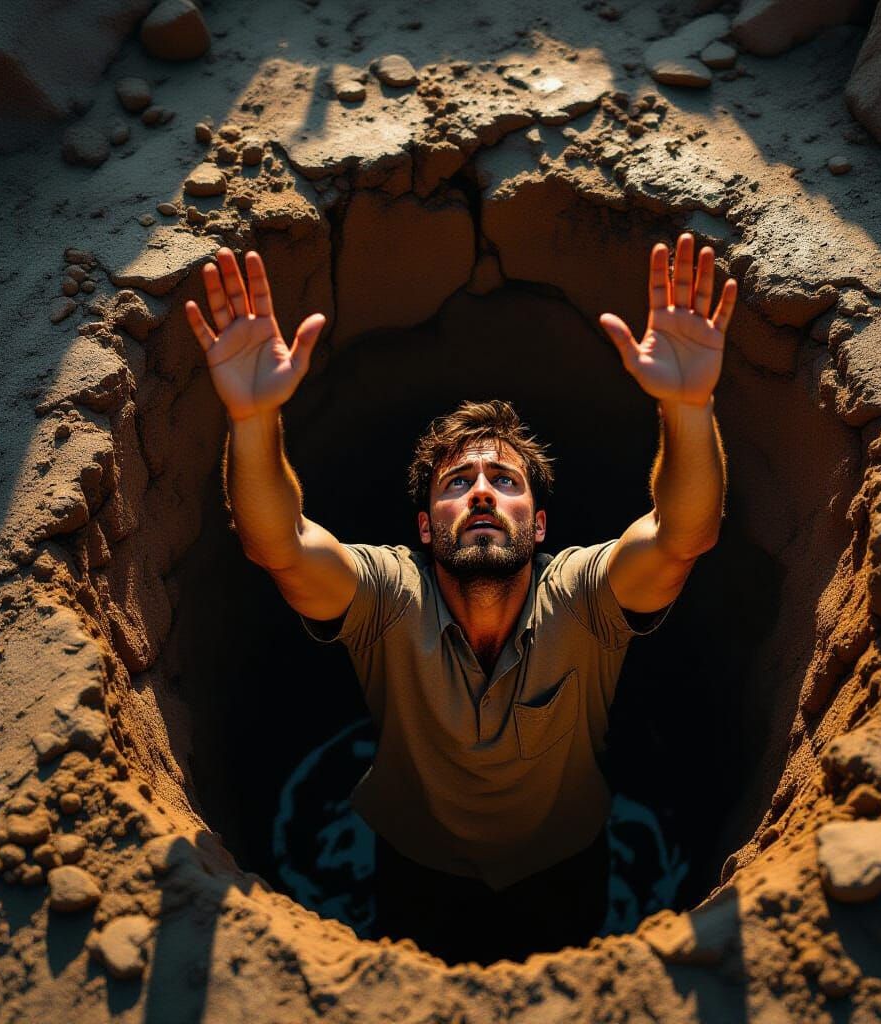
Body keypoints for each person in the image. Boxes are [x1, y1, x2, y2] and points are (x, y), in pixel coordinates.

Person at [185, 233, 735, 964]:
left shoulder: (580, 597)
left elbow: (681, 537)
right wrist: (254, 420)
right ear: (424, 526)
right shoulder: (388, 594)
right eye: (456, 483)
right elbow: (275, 544)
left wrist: (689, 408)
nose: (480, 489)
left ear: (539, 525)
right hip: (416, 868)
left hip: (564, 868)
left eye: (505, 481)